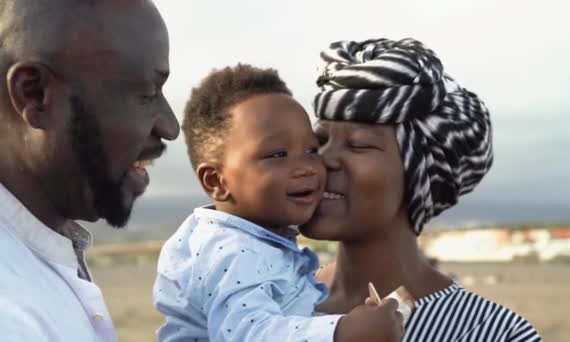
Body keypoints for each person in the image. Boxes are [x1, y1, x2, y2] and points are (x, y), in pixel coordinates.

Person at [304, 38, 542, 341]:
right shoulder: (261, 297)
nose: (322, 159)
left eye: (359, 144)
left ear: (421, 176)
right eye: (318, 141)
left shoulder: (490, 332)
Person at [154, 64, 404, 342]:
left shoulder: (251, 240)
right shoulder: (231, 252)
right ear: (216, 181)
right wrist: (341, 331)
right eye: (278, 154)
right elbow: (247, 334)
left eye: (311, 150)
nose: (307, 167)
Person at [0, 0, 179, 340]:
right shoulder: (10, 315)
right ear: (34, 94)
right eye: (148, 93)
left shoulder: (41, 251)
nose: (170, 128)